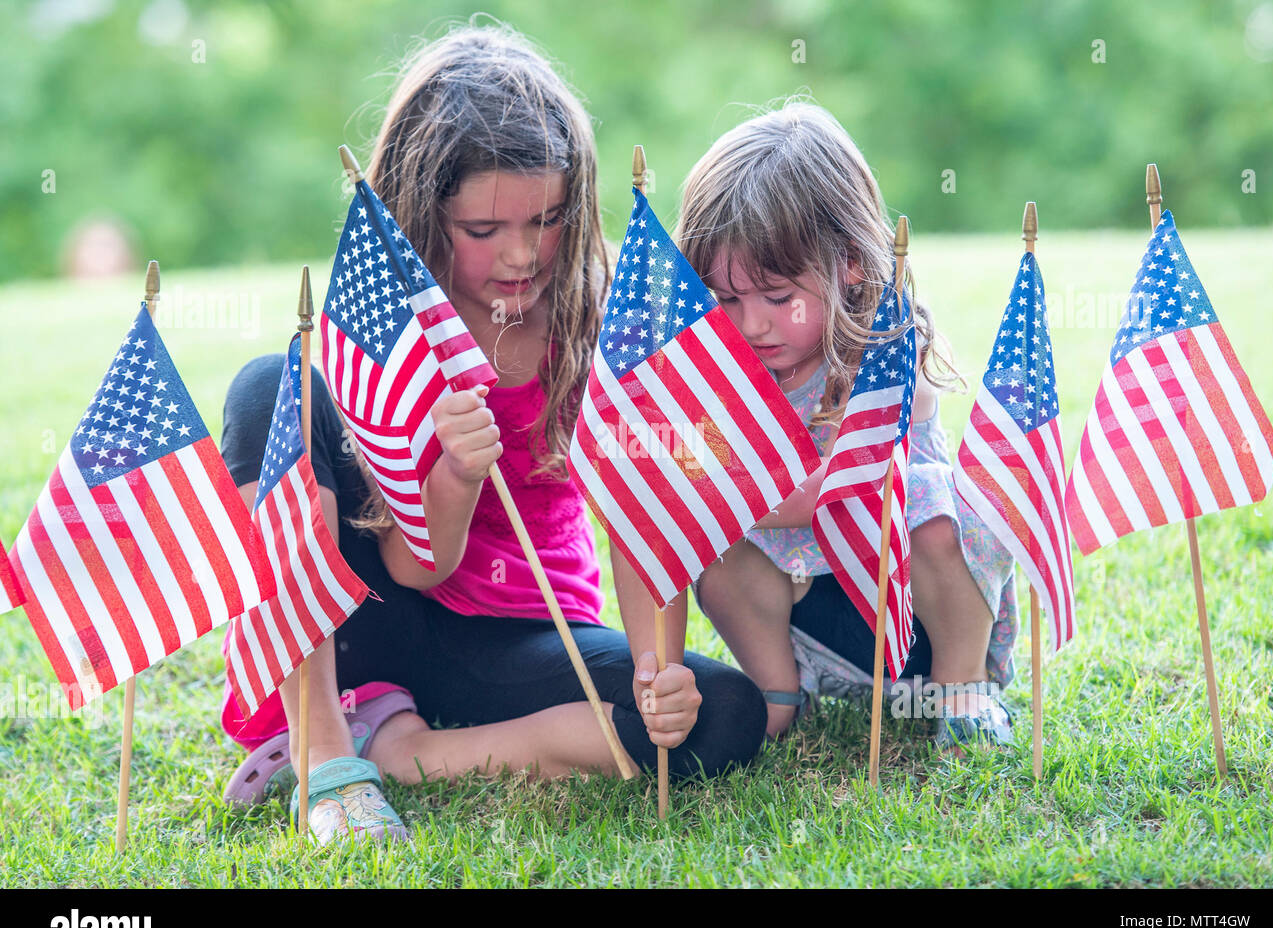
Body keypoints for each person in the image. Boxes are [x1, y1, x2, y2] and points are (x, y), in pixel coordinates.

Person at [219, 23, 766, 843]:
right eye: (484, 231)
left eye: (546, 219)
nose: (521, 254)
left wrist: (658, 674)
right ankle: (325, 751)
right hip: (369, 610)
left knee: (722, 713)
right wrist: (458, 474)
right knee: (272, 385)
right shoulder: (390, 330)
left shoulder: (594, 319)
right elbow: (420, 562)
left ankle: (407, 752)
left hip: (524, 639)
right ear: (423, 209)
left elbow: (643, 518)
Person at [679, 101, 1018, 749]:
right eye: (727, 299)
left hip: (917, 621)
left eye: (779, 298)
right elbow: (698, 475)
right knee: (715, 549)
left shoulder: (890, 352)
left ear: (850, 264)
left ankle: (961, 691)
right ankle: (779, 695)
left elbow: (843, 491)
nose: (752, 324)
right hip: (810, 623)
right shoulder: (723, 370)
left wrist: (727, 488)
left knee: (933, 500)